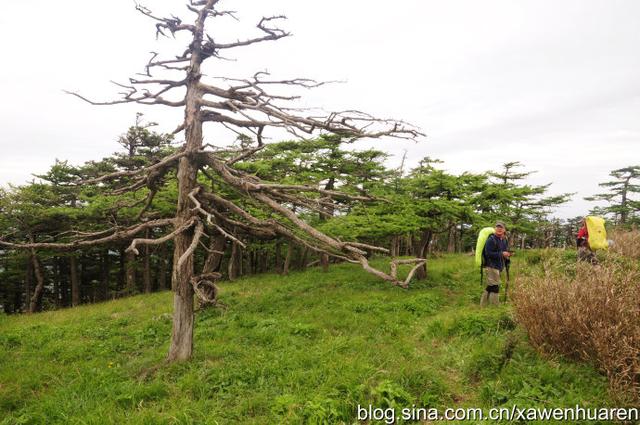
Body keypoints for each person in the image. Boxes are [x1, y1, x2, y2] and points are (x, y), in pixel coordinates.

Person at [480, 221, 511, 306]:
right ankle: (495, 306)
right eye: (497, 227)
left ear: (504, 230)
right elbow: (488, 253)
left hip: (499, 266)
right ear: (494, 229)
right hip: (491, 266)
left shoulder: (504, 240)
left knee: (490, 285)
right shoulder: (491, 240)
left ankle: (483, 304)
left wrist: (507, 255)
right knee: (495, 286)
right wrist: (502, 254)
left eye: (501, 227)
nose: (499, 229)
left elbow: (503, 252)